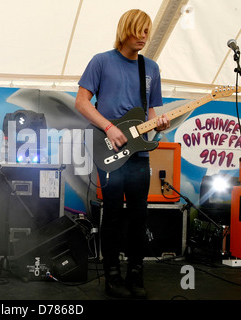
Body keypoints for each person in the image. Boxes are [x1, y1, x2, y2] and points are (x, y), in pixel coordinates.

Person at [75, 9, 170, 299]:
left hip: (139, 154)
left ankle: (136, 272)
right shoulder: (101, 61)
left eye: (146, 32)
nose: (143, 37)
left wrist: (159, 124)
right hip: (110, 149)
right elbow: (81, 102)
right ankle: (112, 274)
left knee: (139, 216)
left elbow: (150, 111)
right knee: (113, 214)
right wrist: (109, 127)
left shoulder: (150, 68)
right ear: (125, 29)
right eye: (139, 31)